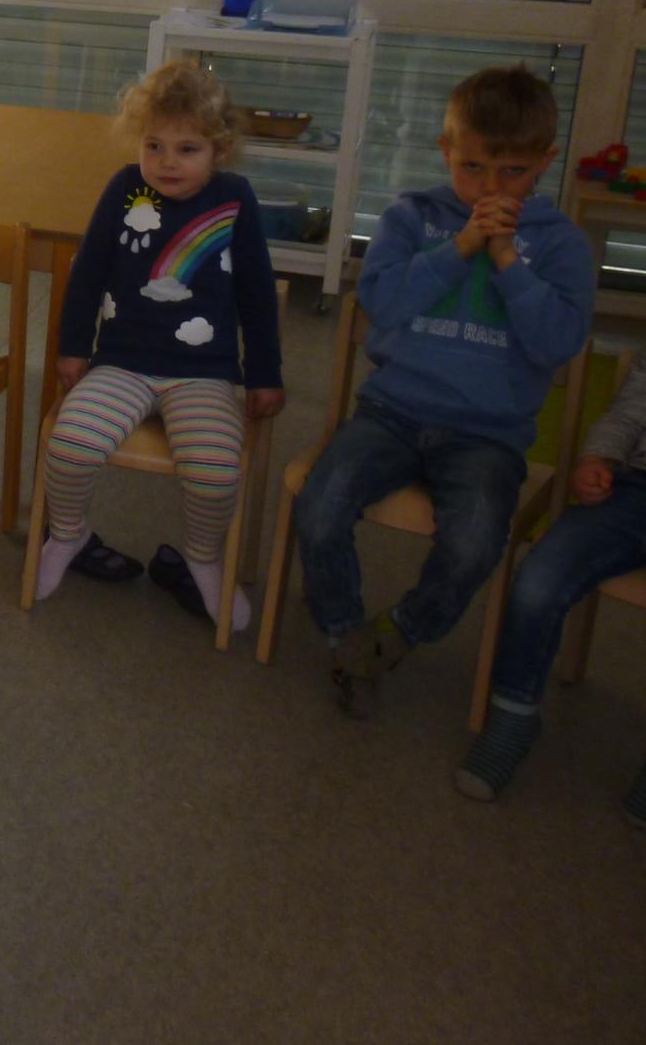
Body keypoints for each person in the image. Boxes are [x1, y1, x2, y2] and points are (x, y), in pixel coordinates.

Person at [297, 65, 592, 717]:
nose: (489, 189)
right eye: (473, 169)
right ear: (446, 151)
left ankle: (396, 633)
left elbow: (558, 344)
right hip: (393, 410)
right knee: (320, 506)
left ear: (543, 163)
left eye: (511, 172)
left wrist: (509, 262)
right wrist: (459, 247)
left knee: (477, 541)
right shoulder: (412, 217)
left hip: (488, 433)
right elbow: (382, 303)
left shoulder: (562, 244)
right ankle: (347, 636)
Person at [32, 61, 284, 625]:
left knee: (217, 471)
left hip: (206, 373)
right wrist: (73, 346)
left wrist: (265, 373)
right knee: (70, 445)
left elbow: (258, 297)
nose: (167, 162)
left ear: (218, 150)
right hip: (122, 363)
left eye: (187, 149)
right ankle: (70, 537)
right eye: (155, 145)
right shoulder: (124, 188)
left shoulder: (235, 199)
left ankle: (201, 558)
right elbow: (89, 270)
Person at [456, 360, 646, 820]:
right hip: (636, 490)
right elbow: (627, 414)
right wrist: (595, 460)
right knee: (538, 581)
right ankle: (513, 716)